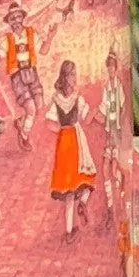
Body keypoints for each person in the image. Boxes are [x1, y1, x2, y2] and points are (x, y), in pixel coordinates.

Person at [47, 57, 97, 235]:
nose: (75, 78)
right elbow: (88, 118)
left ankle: (69, 231)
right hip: (76, 139)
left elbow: (50, 123)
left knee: (68, 189)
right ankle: (83, 201)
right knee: (88, 176)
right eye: (73, 75)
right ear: (67, 77)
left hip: (64, 141)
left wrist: (61, 131)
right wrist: (98, 114)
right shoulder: (78, 99)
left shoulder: (56, 100)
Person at [0, 1, 42, 145]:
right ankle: (24, 135)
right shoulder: (7, 40)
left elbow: (43, 50)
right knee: (31, 109)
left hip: (32, 73)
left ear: (23, 18)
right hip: (18, 77)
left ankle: (21, 122)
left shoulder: (31, 33)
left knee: (39, 104)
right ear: (9, 22)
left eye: (19, 17)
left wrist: (50, 37)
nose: (16, 21)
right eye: (13, 19)